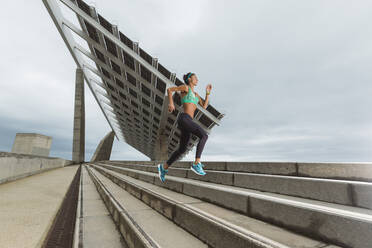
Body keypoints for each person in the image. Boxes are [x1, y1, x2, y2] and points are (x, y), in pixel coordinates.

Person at [157, 72, 212, 182]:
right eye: (195, 77)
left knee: (182, 149)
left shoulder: (196, 95)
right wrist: (171, 103)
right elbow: (170, 90)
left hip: (188, 121)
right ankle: (196, 163)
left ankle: (163, 168)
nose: (197, 79)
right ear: (189, 79)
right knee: (204, 136)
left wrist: (207, 94)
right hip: (184, 118)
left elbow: (204, 106)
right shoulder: (185, 88)